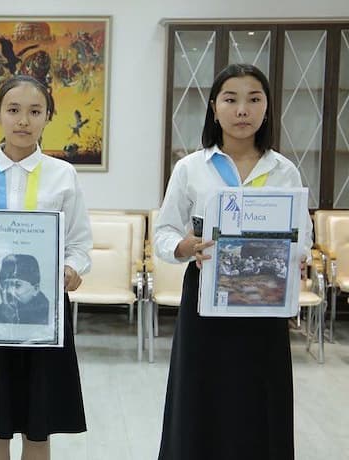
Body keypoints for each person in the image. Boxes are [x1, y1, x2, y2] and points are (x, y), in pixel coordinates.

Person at [154, 63, 313, 460]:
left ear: (266, 108)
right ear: (214, 108)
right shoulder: (191, 168)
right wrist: (184, 247)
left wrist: (298, 257)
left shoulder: (284, 171)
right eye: (231, 99)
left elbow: (303, 237)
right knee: (201, 397)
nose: (243, 110)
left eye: (254, 99)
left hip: (265, 301)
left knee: (261, 399)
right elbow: (163, 233)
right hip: (206, 301)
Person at [0, 75, 92, 460]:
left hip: (44, 319)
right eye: (13, 110)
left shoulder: (63, 174)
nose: (23, 120)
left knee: (37, 428)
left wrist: (72, 268)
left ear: (48, 117)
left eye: (34, 111)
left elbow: (79, 244)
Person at [0, 253, 49, 325]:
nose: (8, 291)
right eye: (5, 285)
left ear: (36, 289)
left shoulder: (48, 314)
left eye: (17, 285)